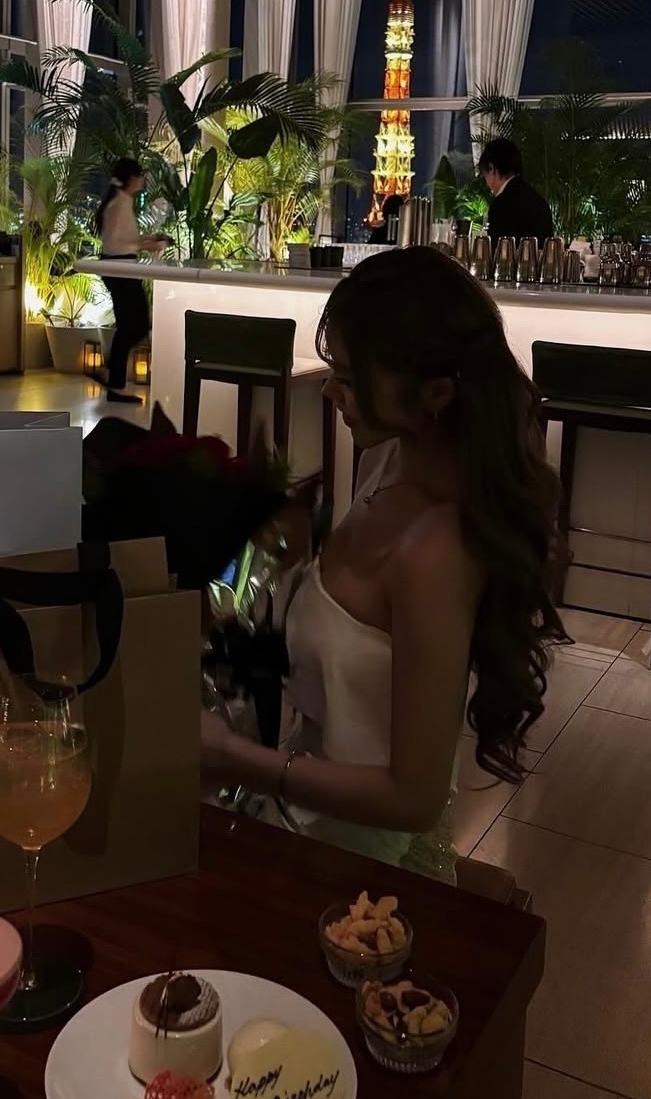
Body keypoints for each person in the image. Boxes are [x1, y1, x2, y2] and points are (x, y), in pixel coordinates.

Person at [201, 246, 566, 881]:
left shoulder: (437, 549)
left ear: (437, 393)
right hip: (302, 830)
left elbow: (414, 799)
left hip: (373, 879)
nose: (331, 391)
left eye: (348, 378)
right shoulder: (386, 460)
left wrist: (235, 758)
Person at [94, 159, 164, 405]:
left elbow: (122, 238)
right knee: (136, 325)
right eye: (140, 175)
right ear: (131, 178)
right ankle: (114, 379)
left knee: (130, 326)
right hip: (120, 269)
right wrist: (144, 245)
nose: (142, 179)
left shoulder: (121, 201)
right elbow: (116, 242)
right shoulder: (120, 203)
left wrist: (145, 241)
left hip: (122, 268)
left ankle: (114, 380)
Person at [479, 138, 554, 243]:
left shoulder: (501, 204)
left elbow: (497, 249)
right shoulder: (539, 201)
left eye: (484, 176)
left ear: (491, 168)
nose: (487, 183)